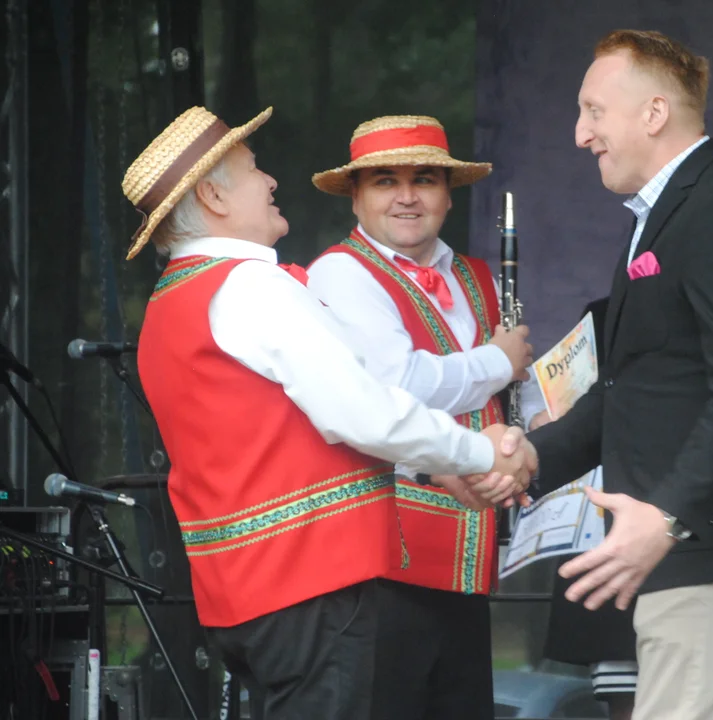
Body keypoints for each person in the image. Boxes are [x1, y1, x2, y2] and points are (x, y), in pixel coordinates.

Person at [123, 106, 533, 720]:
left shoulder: (172, 299)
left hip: (245, 589)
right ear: (212, 195)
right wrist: (478, 453)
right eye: (254, 169)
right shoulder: (250, 285)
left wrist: (437, 467)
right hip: (310, 583)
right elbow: (360, 410)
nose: (271, 181)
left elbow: (292, 432)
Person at [517, 30, 713, 720]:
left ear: (654, 113)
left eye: (593, 111)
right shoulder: (663, 214)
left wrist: (669, 515)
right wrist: (529, 459)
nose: (580, 134)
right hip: (681, 550)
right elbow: (632, 386)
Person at [304, 114, 543, 720]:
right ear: (356, 196)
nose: (407, 196)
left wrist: (533, 429)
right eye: (386, 180)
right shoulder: (339, 272)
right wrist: (498, 360)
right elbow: (396, 387)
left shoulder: (477, 276)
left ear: (448, 194)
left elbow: (509, 394)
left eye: (426, 180)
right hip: (383, 559)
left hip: (466, 554)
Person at [538, 296, 639, 720]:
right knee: (626, 693)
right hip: (606, 517)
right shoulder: (604, 314)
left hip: (680, 521)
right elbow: (571, 408)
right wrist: (550, 432)